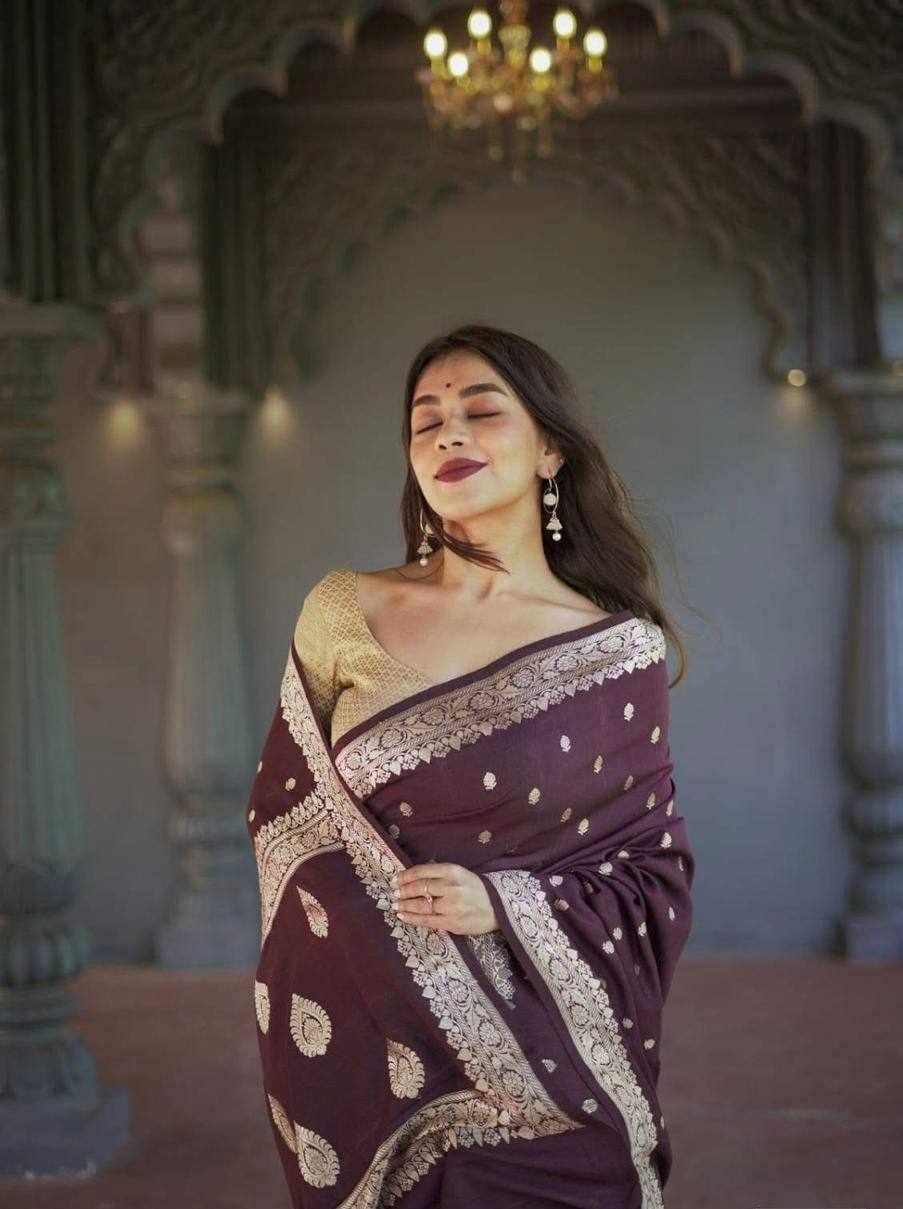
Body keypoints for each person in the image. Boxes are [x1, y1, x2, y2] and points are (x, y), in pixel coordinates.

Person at [246, 324, 695, 1208]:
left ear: (550, 450)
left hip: (547, 1064)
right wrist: (381, 934)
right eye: (425, 421)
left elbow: (651, 875)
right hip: (375, 1039)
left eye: (480, 411)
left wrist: (502, 902)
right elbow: (286, 820)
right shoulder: (344, 609)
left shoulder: (614, 652)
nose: (447, 432)